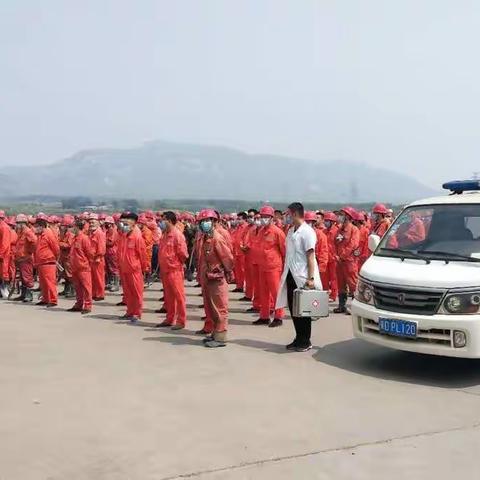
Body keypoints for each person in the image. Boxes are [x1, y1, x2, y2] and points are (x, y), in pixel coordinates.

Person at [276, 202, 322, 352]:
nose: (286, 217)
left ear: (295, 214)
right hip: (290, 274)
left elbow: (310, 256)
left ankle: (305, 340)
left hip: (302, 276)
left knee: (304, 310)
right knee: (294, 308)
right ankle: (298, 337)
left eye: (288, 214)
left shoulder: (307, 232)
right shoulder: (291, 231)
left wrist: (310, 278)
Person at [196, 209, 234, 348]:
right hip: (208, 277)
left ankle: (221, 337)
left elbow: (227, 258)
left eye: (207, 221)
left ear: (214, 222)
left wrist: (228, 271)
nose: (205, 223)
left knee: (220, 308)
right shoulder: (206, 238)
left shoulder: (217, 238)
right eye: (202, 222)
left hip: (217, 277)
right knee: (211, 307)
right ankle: (215, 333)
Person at [155, 211, 189, 330]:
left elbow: (183, 254)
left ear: (169, 221)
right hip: (165, 270)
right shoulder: (165, 235)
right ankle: (170, 318)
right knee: (169, 297)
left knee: (179, 296)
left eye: (163, 220)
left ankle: (181, 320)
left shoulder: (177, 235)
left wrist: (176, 263)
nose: (161, 222)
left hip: (175, 270)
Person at [255, 205, 285, 327]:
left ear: (272, 218)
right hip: (262, 266)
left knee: (276, 293)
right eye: (262, 217)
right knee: (263, 293)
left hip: (273, 267)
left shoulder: (278, 232)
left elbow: (284, 250)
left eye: (266, 217)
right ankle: (264, 316)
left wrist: (283, 267)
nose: (263, 219)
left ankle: (278, 317)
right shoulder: (261, 231)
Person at [117, 212, 148, 323]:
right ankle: (130, 311)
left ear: (133, 224)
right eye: (123, 223)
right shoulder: (124, 236)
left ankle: (137, 313)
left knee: (136, 292)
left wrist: (144, 269)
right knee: (128, 292)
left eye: (126, 224)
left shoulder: (137, 237)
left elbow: (142, 254)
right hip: (124, 268)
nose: (123, 226)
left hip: (134, 270)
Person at [334, 207, 360, 314]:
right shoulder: (339, 229)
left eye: (342, 214)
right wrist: (336, 255)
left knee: (353, 284)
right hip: (339, 261)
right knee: (341, 283)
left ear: (348, 217)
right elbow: (334, 243)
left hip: (349, 261)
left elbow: (353, 245)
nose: (339, 216)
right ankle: (342, 306)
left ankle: (356, 307)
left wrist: (342, 255)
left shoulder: (354, 230)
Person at [68, 218, 94, 314]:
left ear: (77, 227)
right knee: (78, 288)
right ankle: (79, 304)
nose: (71, 229)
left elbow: (90, 253)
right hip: (75, 267)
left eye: (73, 227)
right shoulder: (75, 238)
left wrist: (86, 264)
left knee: (86, 288)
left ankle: (87, 305)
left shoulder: (84, 238)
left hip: (83, 267)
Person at [33, 214, 60, 307]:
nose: (35, 228)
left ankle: (53, 300)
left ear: (41, 225)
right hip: (41, 262)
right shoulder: (40, 235)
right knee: (43, 282)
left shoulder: (48, 234)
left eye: (36, 226)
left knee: (49, 282)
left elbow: (56, 248)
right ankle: (45, 299)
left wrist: (53, 258)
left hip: (48, 262)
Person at [13, 214, 37, 302]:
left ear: (23, 223)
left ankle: (29, 295)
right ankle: (23, 295)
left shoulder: (28, 232)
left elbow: (34, 242)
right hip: (21, 259)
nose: (17, 225)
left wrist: (29, 252)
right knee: (23, 278)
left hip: (26, 258)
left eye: (18, 223)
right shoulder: (21, 232)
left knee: (27, 277)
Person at [305, 211, 329, 295]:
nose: (308, 223)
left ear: (314, 223)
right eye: (306, 222)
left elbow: (324, 252)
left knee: (315, 288)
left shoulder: (320, 235)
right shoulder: (301, 234)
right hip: (303, 265)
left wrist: (321, 268)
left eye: (310, 222)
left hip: (316, 265)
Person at [88, 213, 106, 301]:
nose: (91, 224)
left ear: (98, 222)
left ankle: (100, 294)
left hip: (98, 258)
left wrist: (99, 256)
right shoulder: (92, 233)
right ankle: (95, 293)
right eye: (90, 222)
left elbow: (102, 246)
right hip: (92, 258)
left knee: (99, 277)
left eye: (93, 222)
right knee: (93, 277)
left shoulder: (99, 233)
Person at [323, 212, 339, 301]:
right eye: (325, 220)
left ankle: (333, 295)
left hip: (333, 258)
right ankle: (325, 293)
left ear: (332, 222)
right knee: (324, 277)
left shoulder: (337, 231)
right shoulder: (324, 231)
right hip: (325, 257)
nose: (326, 222)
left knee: (334, 278)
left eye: (327, 221)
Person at [58, 215, 76, 298]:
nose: (60, 227)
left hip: (68, 257)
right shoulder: (64, 234)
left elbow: (69, 245)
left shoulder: (70, 234)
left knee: (70, 274)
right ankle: (67, 289)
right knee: (65, 274)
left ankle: (73, 290)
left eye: (62, 225)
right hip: (64, 257)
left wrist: (58, 244)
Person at [231, 212, 248, 293]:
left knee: (243, 271)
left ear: (244, 219)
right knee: (237, 271)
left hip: (243, 253)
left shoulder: (246, 228)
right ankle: (239, 286)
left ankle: (244, 286)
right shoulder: (238, 228)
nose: (238, 221)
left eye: (239, 219)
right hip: (236, 252)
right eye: (237, 219)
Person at [104, 216, 120, 292]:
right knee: (109, 268)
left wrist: (102, 242)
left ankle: (116, 285)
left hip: (113, 252)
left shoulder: (113, 231)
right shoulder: (108, 231)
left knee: (114, 269)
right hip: (108, 252)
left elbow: (111, 242)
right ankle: (111, 283)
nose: (106, 224)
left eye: (107, 223)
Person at [0, 210, 11, 299]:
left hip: (3, 255)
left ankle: (5, 291)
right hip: (2, 254)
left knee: (3, 273)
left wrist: (1, 254)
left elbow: (5, 243)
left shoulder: (4, 227)